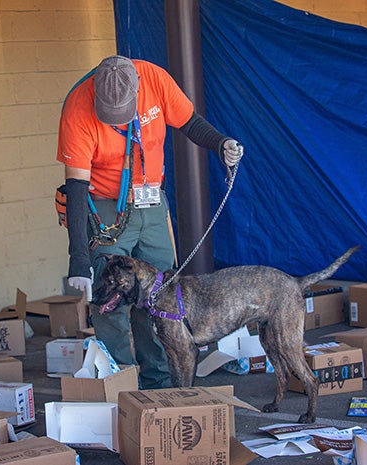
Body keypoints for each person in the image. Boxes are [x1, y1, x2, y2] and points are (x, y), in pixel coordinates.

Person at [56, 55, 243, 389]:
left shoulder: (154, 78)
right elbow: (76, 187)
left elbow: (190, 123)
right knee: (109, 296)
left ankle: (157, 382)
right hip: (105, 208)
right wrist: (79, 260)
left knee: (158, 295)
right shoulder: (77, 107)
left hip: (151, 198)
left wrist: (220, 143)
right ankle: (120, 383)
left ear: (138, 88)